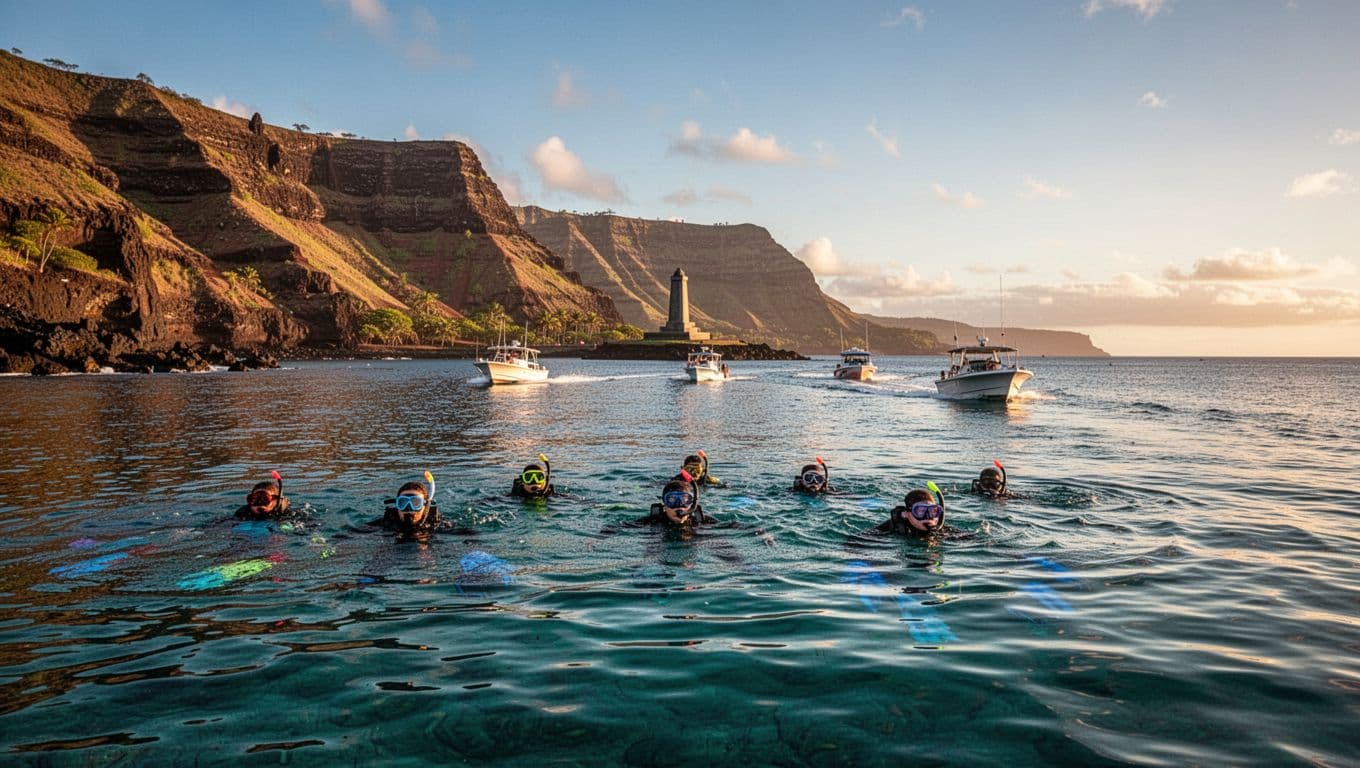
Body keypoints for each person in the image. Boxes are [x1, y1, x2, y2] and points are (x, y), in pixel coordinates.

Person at [873, 489, 951, 538]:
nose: (928, 517)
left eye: (933, 511)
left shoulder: (943, 531)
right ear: (906, 514)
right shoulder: (888, 529)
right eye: (920, 511)